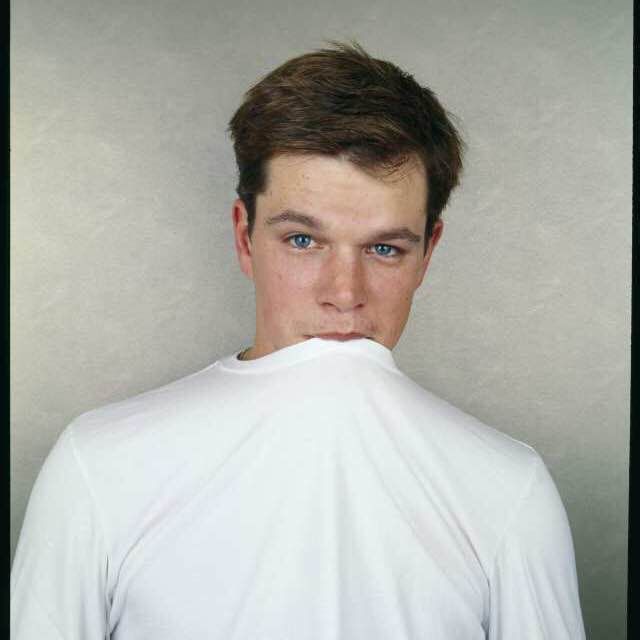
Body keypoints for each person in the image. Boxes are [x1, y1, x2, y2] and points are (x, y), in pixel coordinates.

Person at [11, 42, 586, 639]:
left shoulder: (508, 491)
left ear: (427, 253)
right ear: (245, 238)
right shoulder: (100, 467)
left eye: (384, 248)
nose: (344, 293)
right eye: (303, 241)